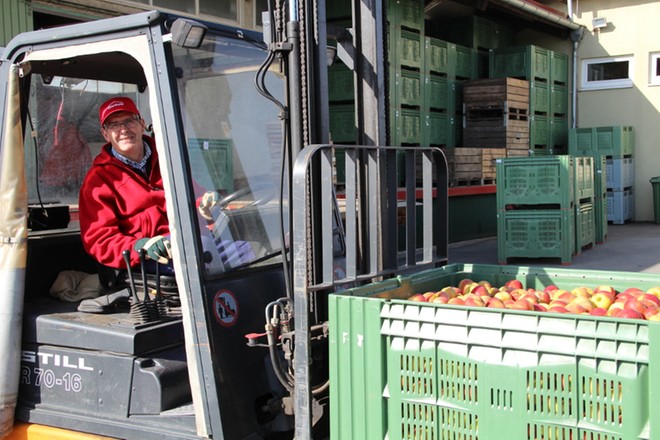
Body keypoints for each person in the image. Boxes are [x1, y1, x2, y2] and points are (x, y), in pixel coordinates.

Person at [78, 96, 252, 278]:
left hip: (190, 242)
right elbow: (99, 239)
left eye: (129, 121)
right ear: (105, 134)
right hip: (149, 257)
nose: (123, 130)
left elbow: (193, 196)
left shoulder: (168, 158)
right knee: (203, 258)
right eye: (114, 125)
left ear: (141, 123)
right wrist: (140, 246)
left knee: (248, 252)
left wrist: (204, 204)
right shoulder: (98, 181)